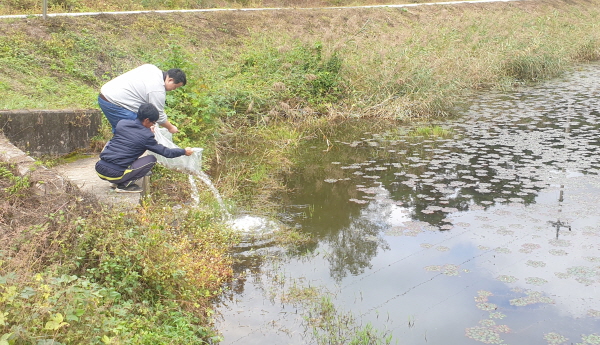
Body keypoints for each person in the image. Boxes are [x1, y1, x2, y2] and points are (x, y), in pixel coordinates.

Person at [95, 103, 193, 193]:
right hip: (116, 173)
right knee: (151, 159)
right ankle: (124, 185)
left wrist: (146, 131)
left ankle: (115, 180)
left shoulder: (122, 123)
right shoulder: (147, 136)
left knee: (112, 143)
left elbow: (132, 138)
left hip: (99, 169)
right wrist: (184, 151)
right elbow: (166, 152)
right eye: (153, 122)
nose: (153, 125)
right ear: (146, 120)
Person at [98, 64, 186, 134]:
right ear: (170, 80)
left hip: (108, 93)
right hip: (113, 102)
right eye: (175, 87)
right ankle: (118, 154)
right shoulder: (157, 89)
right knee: (136, 131)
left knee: (126, 130)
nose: (173, 90)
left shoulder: (151, 68)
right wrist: (171, 128)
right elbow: (158, 115)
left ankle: (117, 151)